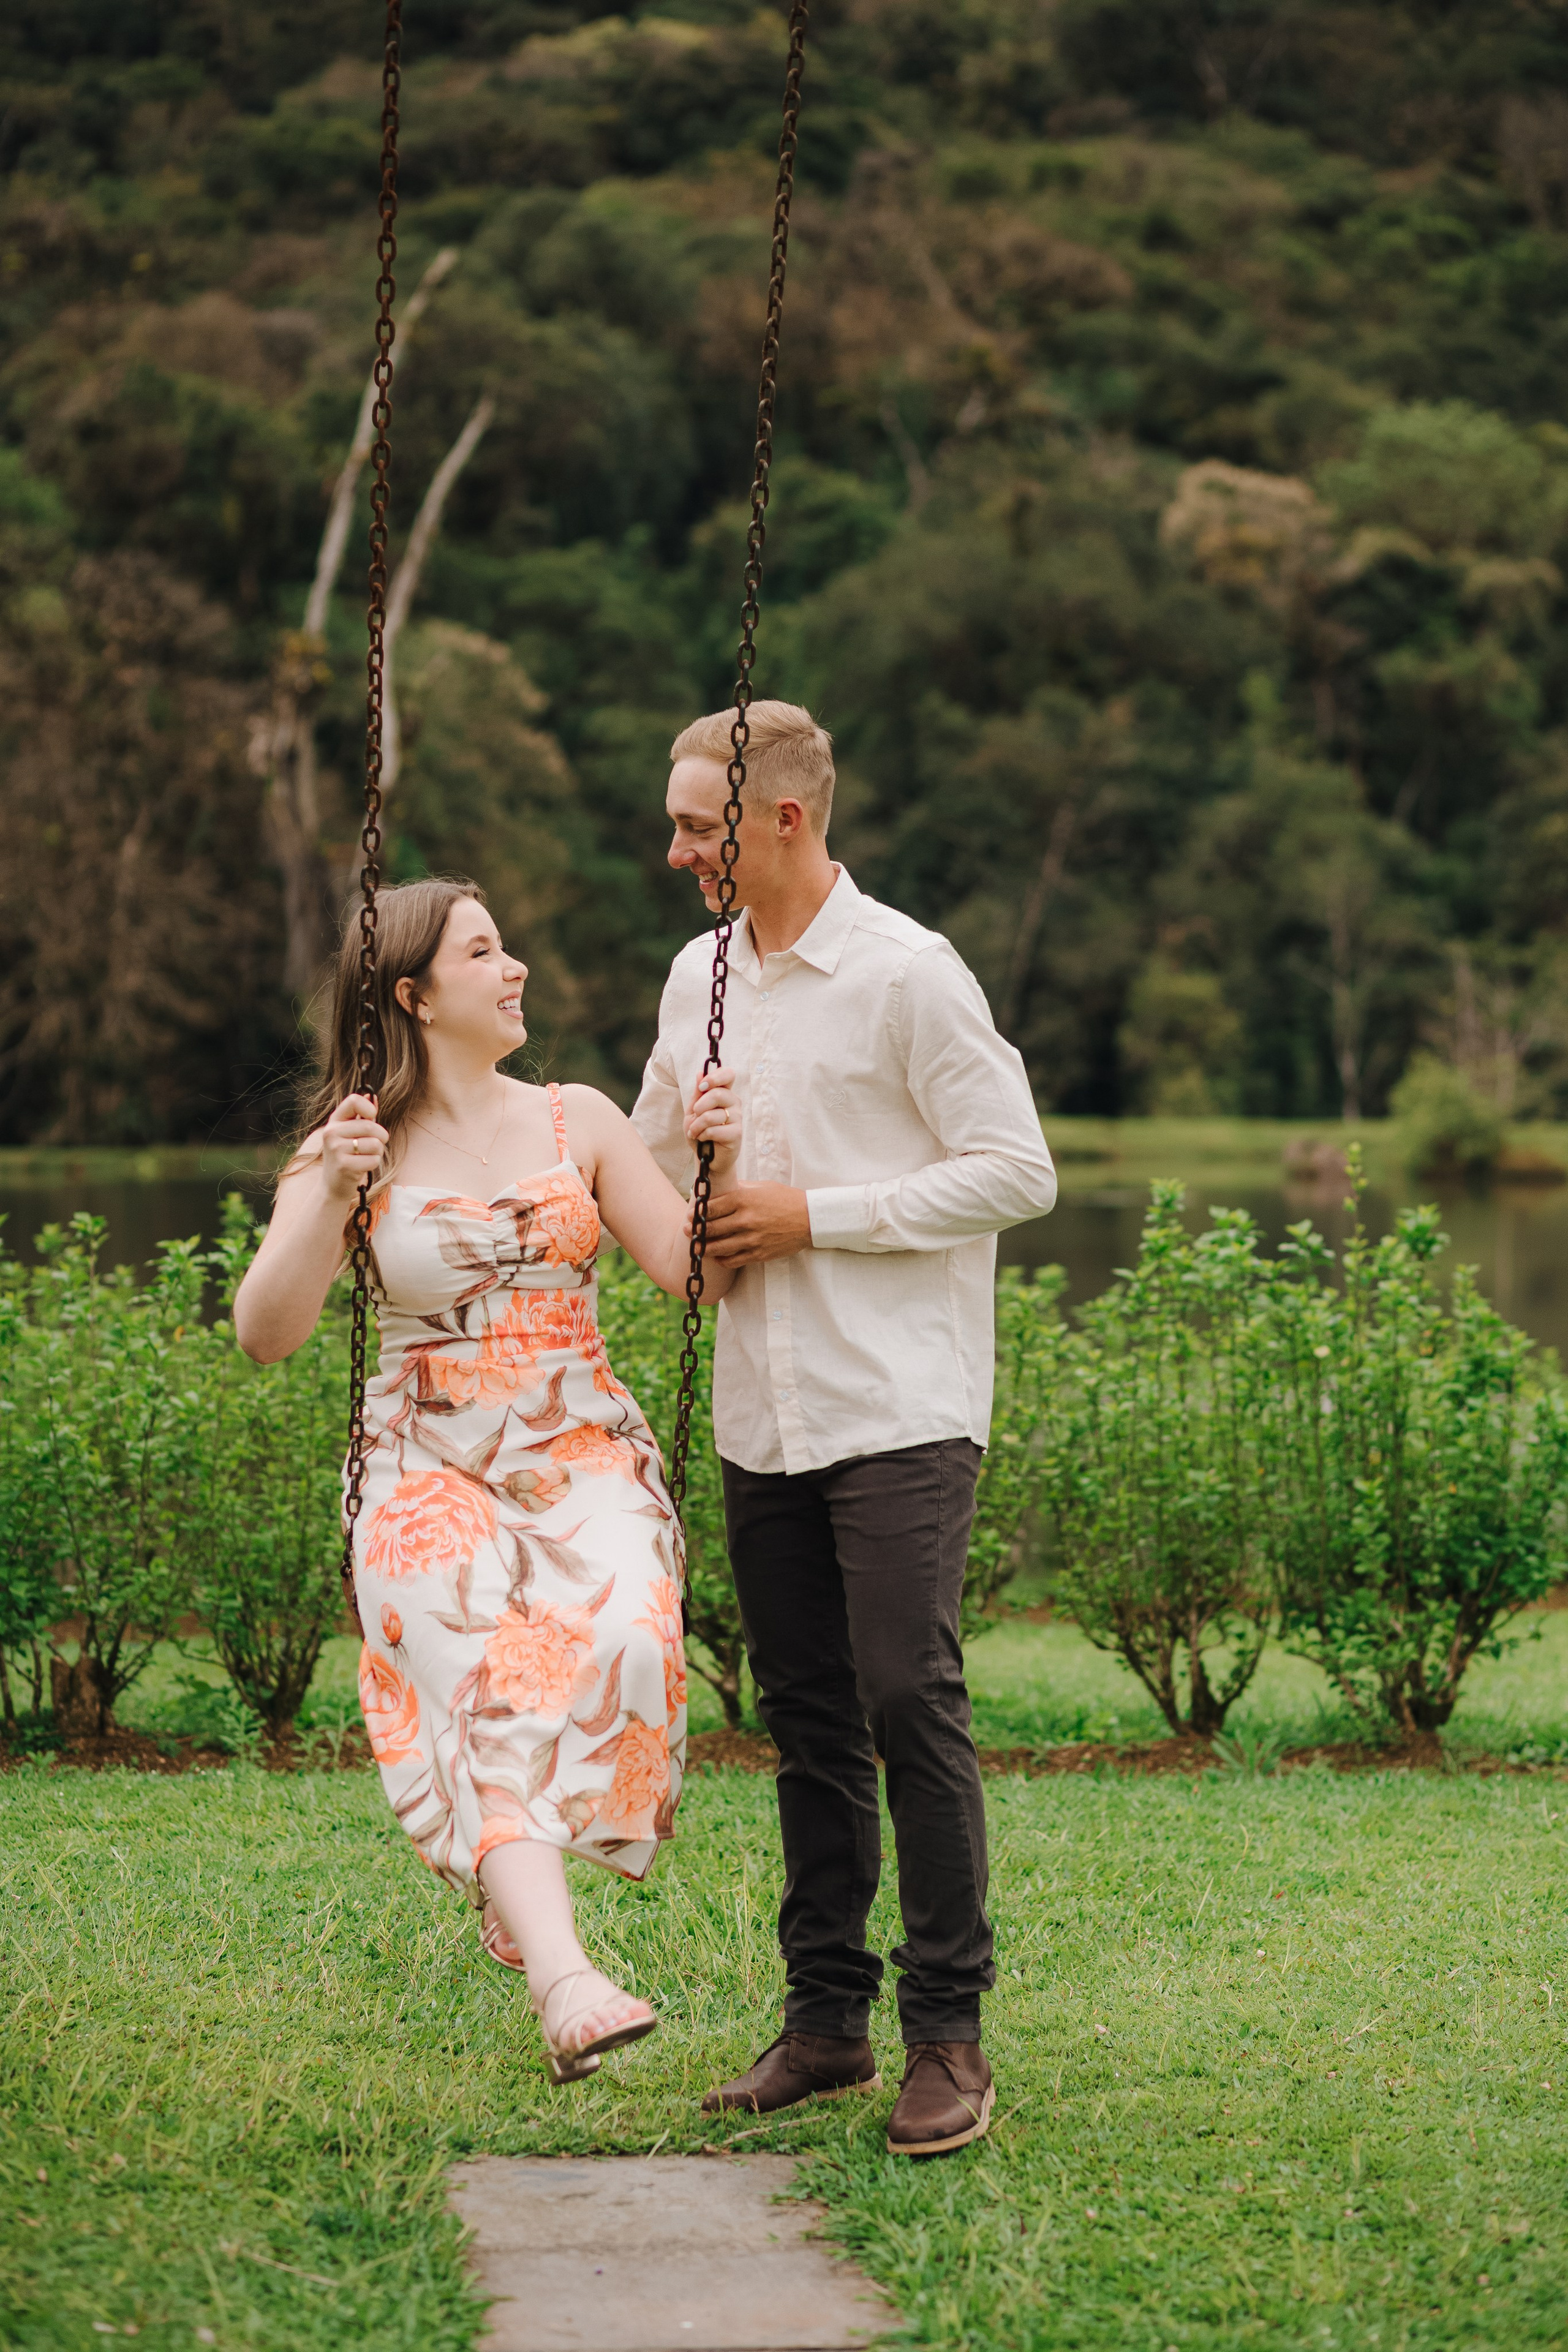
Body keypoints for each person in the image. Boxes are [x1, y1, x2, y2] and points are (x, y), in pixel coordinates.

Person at [632, 701, 1058, 2159]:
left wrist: (817, 1217)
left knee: (901, 1696)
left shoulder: (907, 976)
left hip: (898, 1404)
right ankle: (825, 2026)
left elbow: (1017, 1170)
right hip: (766, 1409)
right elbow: (640, 1178)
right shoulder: (697, 977)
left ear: (782, 822)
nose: (674, 848)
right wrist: (683, 1161)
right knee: (806, 1723)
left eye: (695, 824)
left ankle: (948, 2036)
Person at [235, 876, 742, 2085]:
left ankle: (504, 1874)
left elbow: (693, 1276)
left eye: (505, 948)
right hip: (422, 1461)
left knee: (627, 1637)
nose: (513, 967)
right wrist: (335, 1197)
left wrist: (723, 1152)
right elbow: (264, 1331)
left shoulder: (582, 1119)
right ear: (411, 994)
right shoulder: (352, 1145)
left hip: (579, 1450)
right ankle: (567, 1982)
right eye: (483, 951)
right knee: (475, 1675)